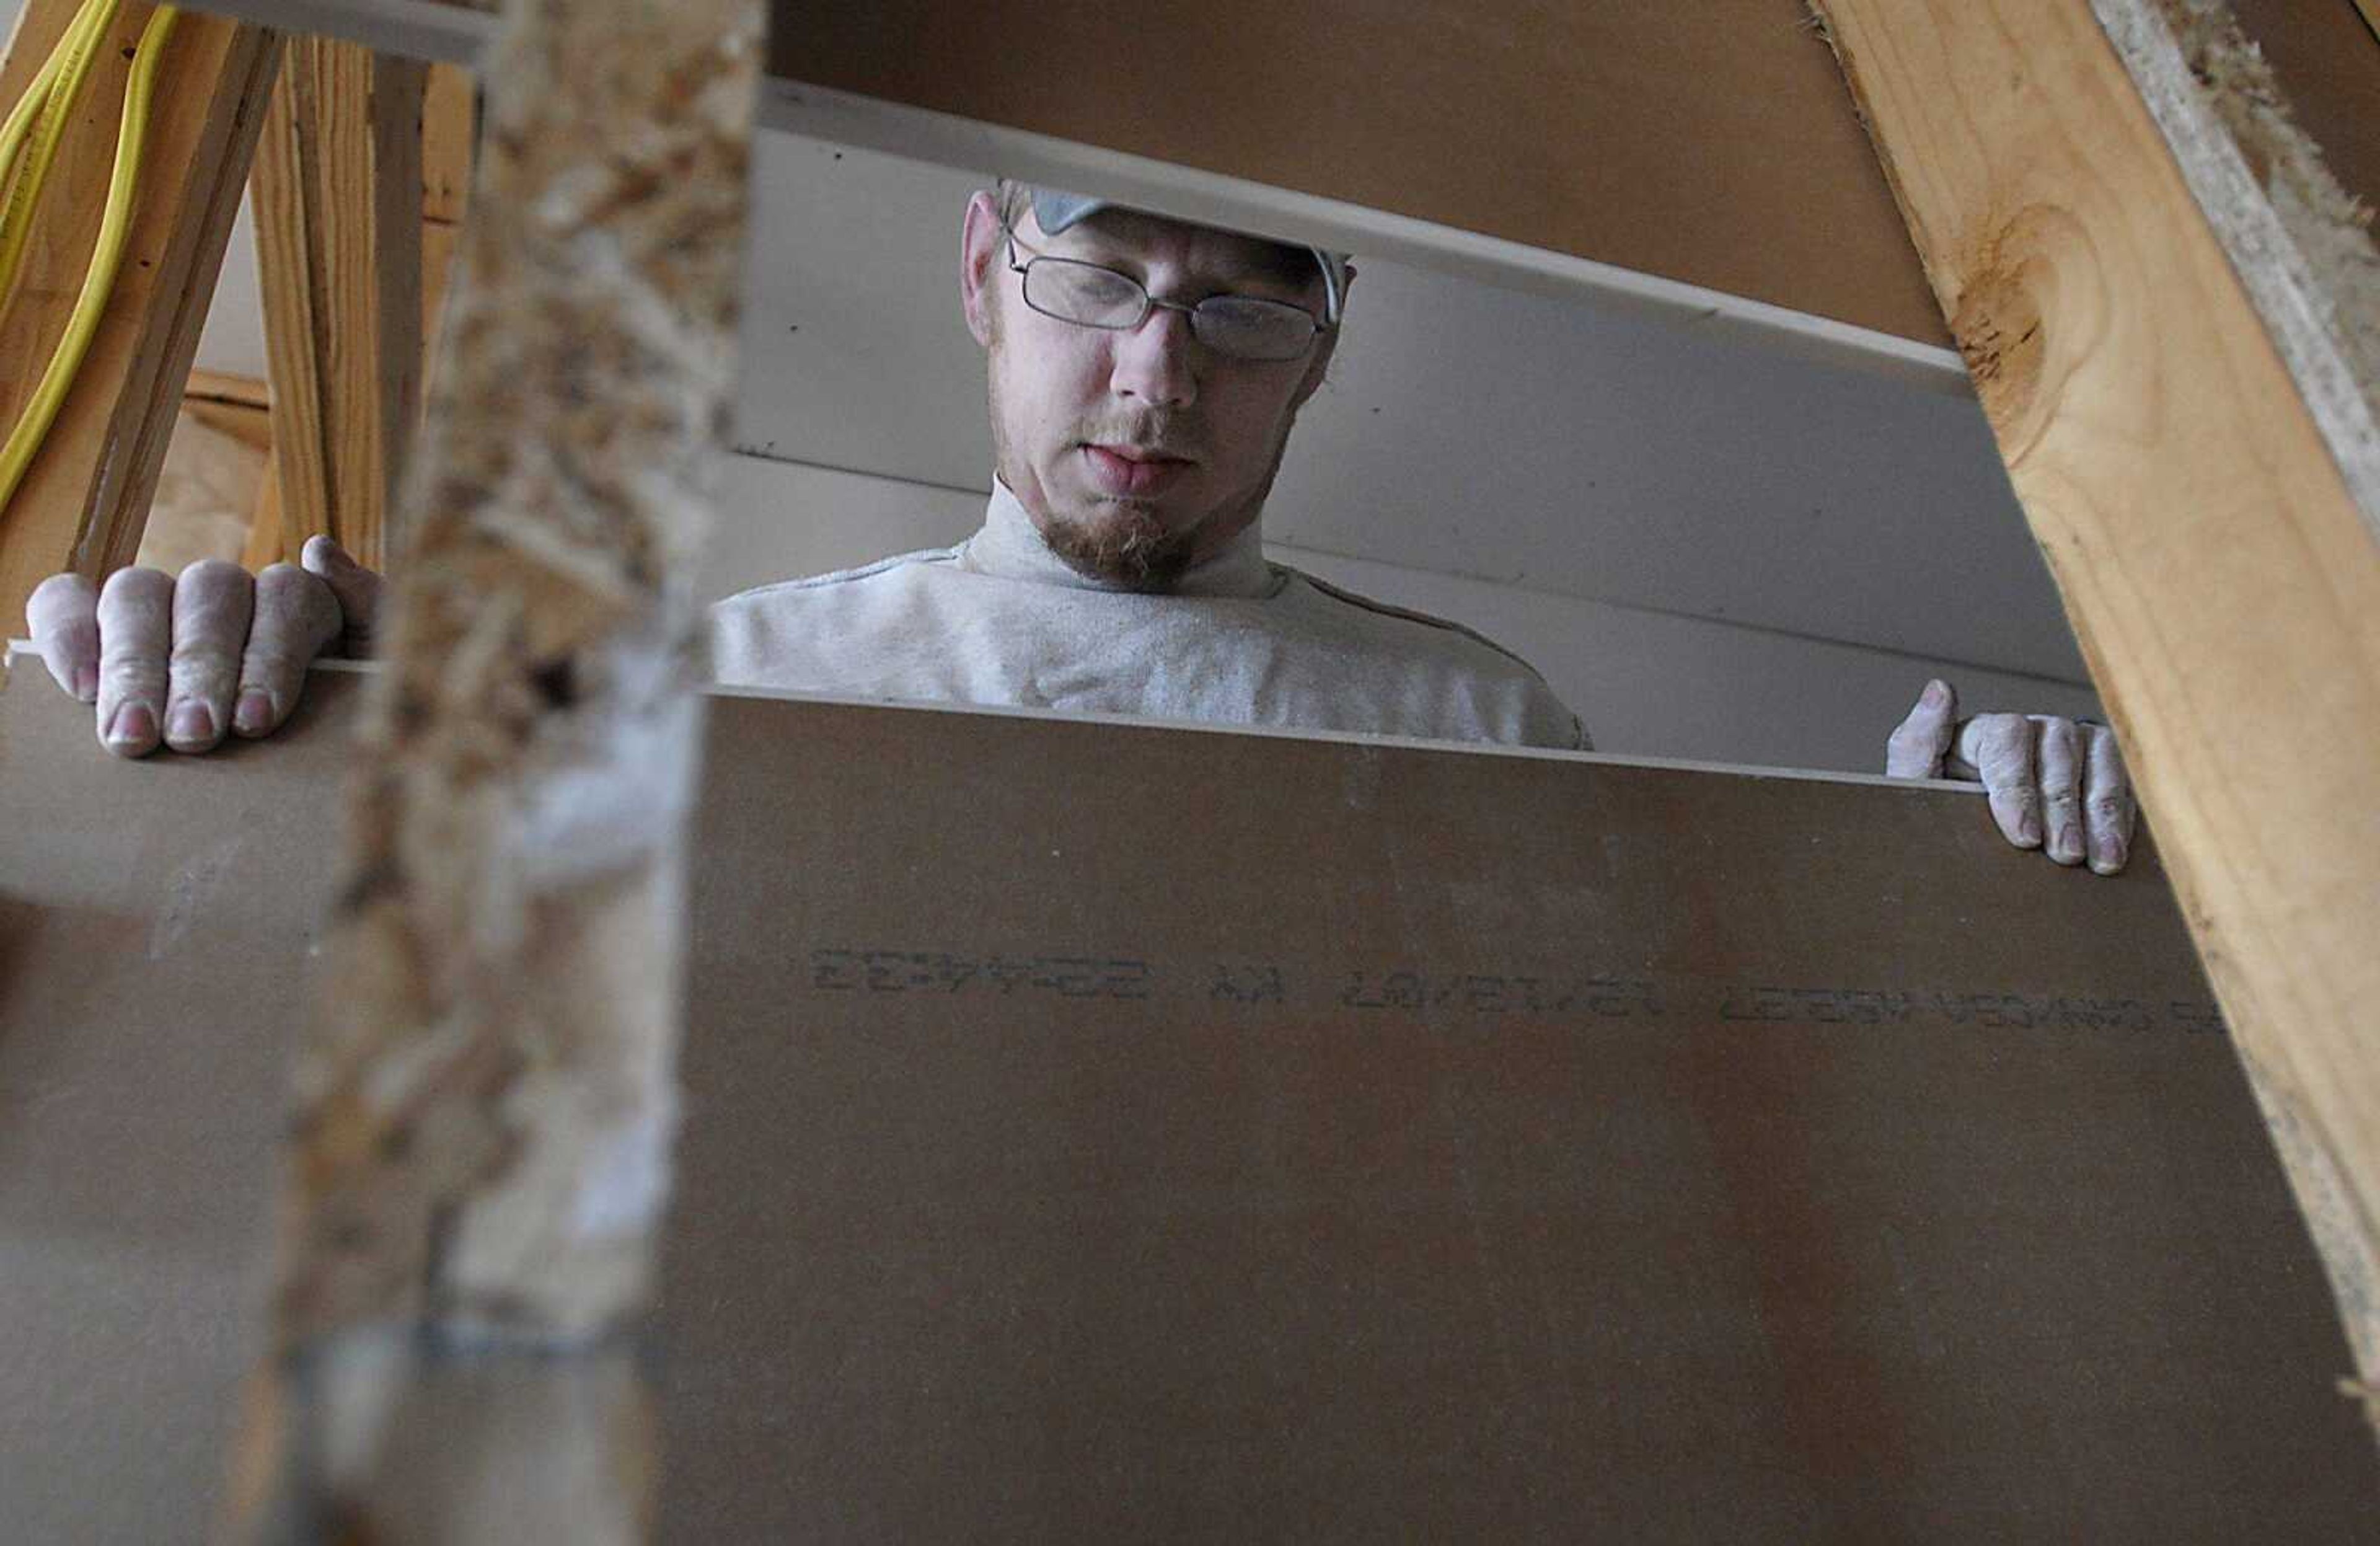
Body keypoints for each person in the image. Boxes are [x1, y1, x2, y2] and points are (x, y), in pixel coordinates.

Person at [21, 181, 2134, 874]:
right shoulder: (724, 680)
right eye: (1105, 278)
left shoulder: (1486, 723)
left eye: (1241, 308)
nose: (1159, 374)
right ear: (978, 271)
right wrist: (245, 697)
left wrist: (1941, 860)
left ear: (1319, 351)